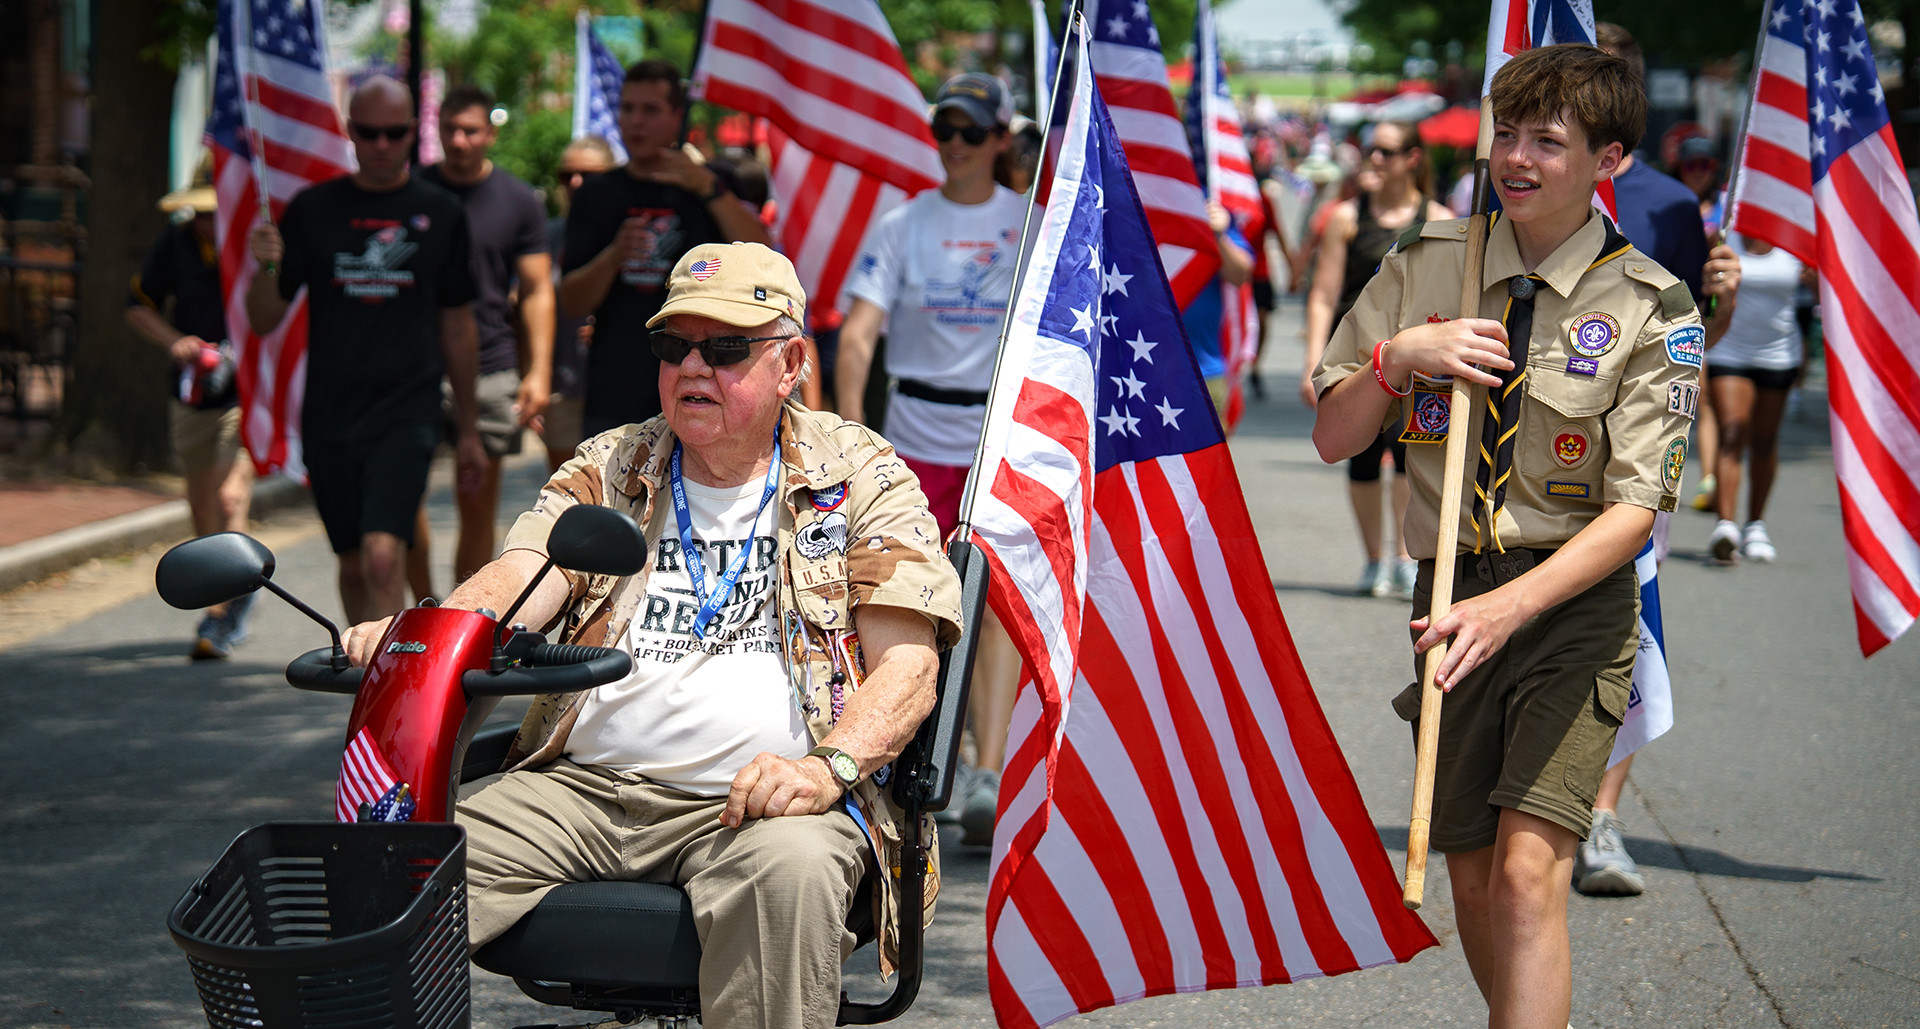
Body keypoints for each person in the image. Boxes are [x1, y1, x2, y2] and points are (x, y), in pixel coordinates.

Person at [341, 242, 963, 1029]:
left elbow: (908, 667)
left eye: (727, 347)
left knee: (794, 871)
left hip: (767, 807)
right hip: (582, 789)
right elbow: (524, 575)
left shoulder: (862, 476)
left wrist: (824, 769)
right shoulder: (615, 460)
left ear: (792, 361)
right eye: (675, 346)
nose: (694, 367)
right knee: (383, 864)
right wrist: (426, 634)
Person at [1310, 44, 1701, 1028]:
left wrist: (1512, 607)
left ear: (1609, 159)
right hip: (1448, 588)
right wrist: (1401, 359)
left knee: (1531, 874)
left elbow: (1634, 511)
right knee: (1477, 877)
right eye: (1506, 133)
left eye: (1548, 140)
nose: (1516, 158)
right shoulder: (1428, 265)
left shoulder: (1649, 305)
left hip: (1569, 601)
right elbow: (1333, 435)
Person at [836, 73, 1027, 846]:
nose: (954, 144)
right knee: (903, 605)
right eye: (943, 129)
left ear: (1000, 140)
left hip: (995, 438)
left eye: (970, 131)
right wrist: (847, 441)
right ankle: (894, 760)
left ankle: (983, 771)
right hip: (911, 439)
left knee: (993, 611)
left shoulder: (1031, 221)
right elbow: (857, 335)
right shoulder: (904, 222)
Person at [1580, 22, 1744, 898]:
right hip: (1522, 462)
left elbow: (1694, 342)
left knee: (1624, 625)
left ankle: (1601, 818)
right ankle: (1522, 799)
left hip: (1635, 461)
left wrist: (1722, 302)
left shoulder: (1671, 208)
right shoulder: (1502, 187)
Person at [246, 75, 484, 625]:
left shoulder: (441, 212)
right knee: (353, 564)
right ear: (351, 132)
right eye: (369, 133)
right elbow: (264, 318)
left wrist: (468, 429)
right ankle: (364, 682)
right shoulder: (313, 209)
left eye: (394, 133)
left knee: (383, 558)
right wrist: (266, 264)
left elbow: (457, 325)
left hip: (407, 408)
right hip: (331, 410)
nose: (382, 144)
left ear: (411, 134)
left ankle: (390, 696)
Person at [560, 60, 772, 439]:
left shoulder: (714, 184)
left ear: (677, 116)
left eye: (650, 110)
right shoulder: (595, 193)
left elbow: (764, 257)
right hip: (615, 396)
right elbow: (573, 300)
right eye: (628, 108)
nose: (636, 121)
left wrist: (707, 188)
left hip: (703, 388)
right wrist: (614, 255)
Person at [407, 83, 555, 592]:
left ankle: (460, 617)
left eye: (470, 130)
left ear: (490, 133)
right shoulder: (415, 189)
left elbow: (536, 289)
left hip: (491, 364)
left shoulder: (516, 198)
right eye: (448, 129)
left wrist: (537, 370)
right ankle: (421, 610)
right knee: (404, 502)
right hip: (417, 366)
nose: (458, 139)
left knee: (475, 500)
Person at [1301, 123, 1454, 599]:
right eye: (1370, 149)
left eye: (1385, 151)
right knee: (1363, 461)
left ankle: (1407, 559)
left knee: (1413, 458)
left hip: (1421, 366)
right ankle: (1373, 560)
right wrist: (1314, 361)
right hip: (1360, 363)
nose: (1374, 159)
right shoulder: (1347, 217)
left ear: (1412, 157)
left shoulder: (1440, 219)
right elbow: (1324, 295)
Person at [126, 170, 255, 658]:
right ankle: (228, 581)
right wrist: (173, 341)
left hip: (246, 393)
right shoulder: (174, 245)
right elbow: (136, 305)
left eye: (214, 212)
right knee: (202, 505)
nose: (207, 222)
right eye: (200, 214)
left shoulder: (256, 244)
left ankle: (222, 612)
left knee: (228, 498)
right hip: (193, 392)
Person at [1704, 233, 1808, 563]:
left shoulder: (1795, 244)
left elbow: (1832, 297)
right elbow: (1702, 289)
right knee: (1732, 434)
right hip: (1729, 351)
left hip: (1779, 354)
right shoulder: (1724, 237)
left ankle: (1756, 525)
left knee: (1764, 441)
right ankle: (1726, 525)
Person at [541, 136, 619, 471]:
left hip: (618, 386)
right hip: (563, 382)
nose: (576, 183)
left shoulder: (631, 230)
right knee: (566, 493)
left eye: (589, 175)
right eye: (566, 175)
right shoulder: (550, 234)